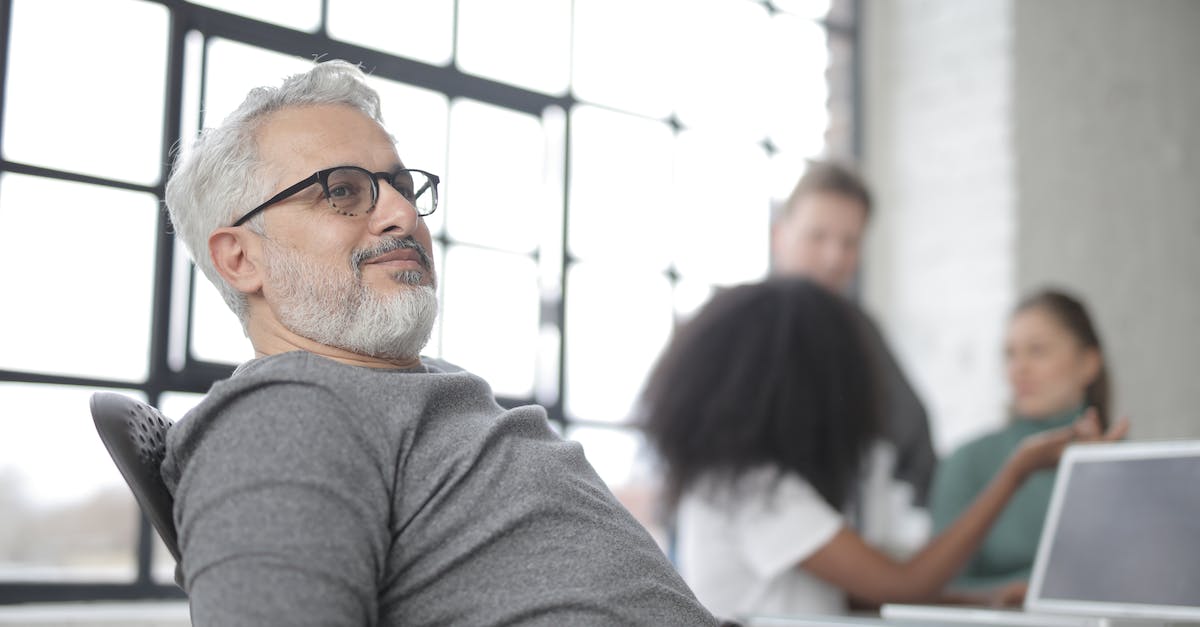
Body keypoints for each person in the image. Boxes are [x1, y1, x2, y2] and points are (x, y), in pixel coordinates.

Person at [161, 60, 718, 626]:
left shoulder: (423, 387)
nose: (403, 214)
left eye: (401, 187)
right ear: (241, 257)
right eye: (343, 192)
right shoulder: (283, 414)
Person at [637, 278, 1127, 620]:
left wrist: (989, 601)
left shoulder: (748, 484)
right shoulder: (755, 491)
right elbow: (903, 584)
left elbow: (857, 600)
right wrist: (1017, 472)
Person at [770, 160, 937, 507]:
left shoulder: (861, 334)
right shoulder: (733, 331)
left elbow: (914, 439)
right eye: (817, 237)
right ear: (780, 236)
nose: (834, 258)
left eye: (850, 242)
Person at [929, 288, 1114, 590]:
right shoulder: (968, 461)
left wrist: (1103, 476)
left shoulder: (1122, 461)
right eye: (1010, 354)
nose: (1019, 369)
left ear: (1088, 364)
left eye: (1037, 350)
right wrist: (1015, 592)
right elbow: (933, 583)